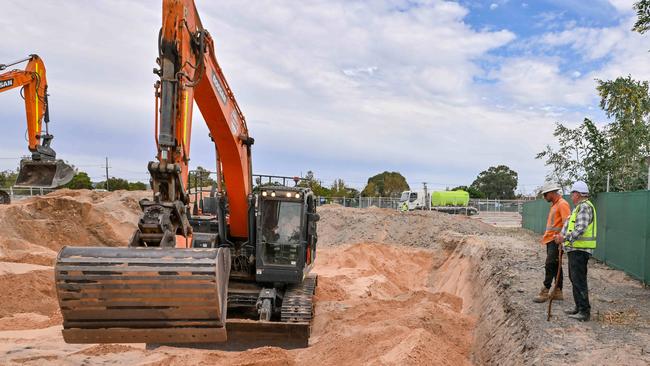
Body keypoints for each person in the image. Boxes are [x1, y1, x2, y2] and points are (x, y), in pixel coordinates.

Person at [555, 181, 597, 321]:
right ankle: (578, 307)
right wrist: (562, 237)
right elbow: (569, 225)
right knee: (574, 278)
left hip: (580, 249)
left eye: (572, 193)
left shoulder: (584, 207)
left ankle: (584, 312)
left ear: (578, 194)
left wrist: (564, 238)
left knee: (578, 279)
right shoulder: (578, 208)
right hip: (574, 249)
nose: (571, 196)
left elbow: (580, 228)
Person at [533, 182, 571, 303]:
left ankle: (546, 289)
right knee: (555, 265)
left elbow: (567, 223)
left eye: (545, 195)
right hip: (550, 240)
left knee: (549, 264)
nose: (544, 197)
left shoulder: (562, 204)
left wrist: (562, 238)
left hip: (556, 241)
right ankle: (558, 291)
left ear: (552, 193)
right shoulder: (555, 205)